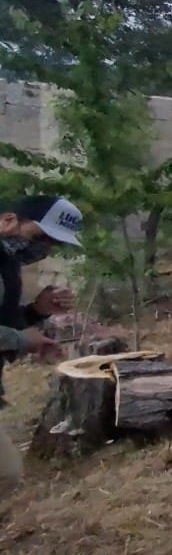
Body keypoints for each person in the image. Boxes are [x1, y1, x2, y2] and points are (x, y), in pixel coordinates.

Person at [2, 195, 83, 493]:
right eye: (41, 236)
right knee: (5, 474)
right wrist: (23, 339)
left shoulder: (6, 265)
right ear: (8, 220)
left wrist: (36, 312)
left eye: (53, 243)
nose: (44, 248)